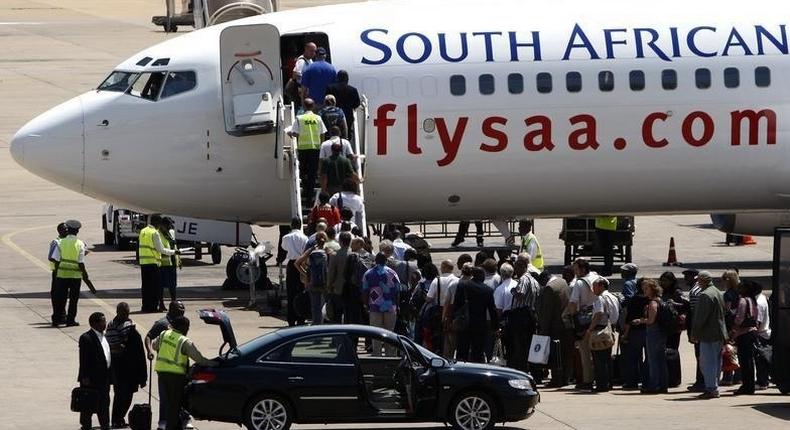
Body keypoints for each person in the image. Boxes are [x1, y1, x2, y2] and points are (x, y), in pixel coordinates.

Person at [152, 316, 217, 430]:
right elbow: (199, 359)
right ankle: (171, 427)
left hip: (161, 373)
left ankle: (173, 425)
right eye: (187, 327)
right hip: (176, 376)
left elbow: (154, 345)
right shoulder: (184, 341)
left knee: (167, 401)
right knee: (175, 404)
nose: (188, 329)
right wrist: (213, 364)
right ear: (184, 328)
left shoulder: (164, 334)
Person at [144, 300, 185, 430]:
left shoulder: (181, 322)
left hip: (179, 366)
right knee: (165, 396)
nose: (182, 311)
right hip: (165, 368)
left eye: (183, 310)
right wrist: (149, 351)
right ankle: (163, 420)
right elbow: (148, 337)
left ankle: (181, 418)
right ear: (171, 309)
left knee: (180, 395)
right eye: (180, 309)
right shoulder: (162, 323)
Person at [105, 302, 147, 428]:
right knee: (125, 395)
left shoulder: (110, 325)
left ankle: (117, 418)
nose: (126, 315)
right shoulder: (129, 328)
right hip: (126, 369)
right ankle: (118, 418)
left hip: (116, 367)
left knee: (119, 394)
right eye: (125, 312)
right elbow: (138, 353)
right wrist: (142, 376)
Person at [690, 271, 728, 399]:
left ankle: (711, 388)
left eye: (699, 280)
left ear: (703, 281)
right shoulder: (717, 292)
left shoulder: (705, 295)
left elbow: (701, 317)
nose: (697, 283)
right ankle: (714, 386)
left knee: (707, 362)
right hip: (719, 332)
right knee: (717, 361)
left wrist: (694, 333)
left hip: (708, 334)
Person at [503, 254, 540, 372]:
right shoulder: (533, 280)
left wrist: (513, 290)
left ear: (522, 267)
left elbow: (520, 294)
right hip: (530, 314)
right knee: (527, 344)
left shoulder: (524, 279)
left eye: (517, 268)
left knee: (520, 345)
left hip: (522, 315)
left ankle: (521, 369)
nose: (515, 271)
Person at [453, 266, 498, 363]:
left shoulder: (462, 286)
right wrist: (495, 326)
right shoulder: (488, 290)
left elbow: (456, 304)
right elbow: (492, 310)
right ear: (482, 276)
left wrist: (454, 318)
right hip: (479, 325)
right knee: (477, 352)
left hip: (464, 323)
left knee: (461, 351)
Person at [52, 219, 91, 326]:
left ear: (68, 230)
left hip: (62, 275)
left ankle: (56, 320)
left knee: (60, 298)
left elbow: (55, 259)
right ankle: (70, 320)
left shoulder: (60, 242)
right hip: (75, 276)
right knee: (73, 300)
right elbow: (81, 262)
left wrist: (57, 273)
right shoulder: (80, 244)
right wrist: (85, 274)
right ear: (77, 231)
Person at [631, 279, 668, 394]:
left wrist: (640, 320)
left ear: (652, 289)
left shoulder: (653, 303)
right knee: (660, 359)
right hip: (660, 333)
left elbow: (651, 320)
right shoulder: (660, 300)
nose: (644, 290)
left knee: (653, 360)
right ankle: (662, 384)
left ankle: (654, 385)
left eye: (647, 288)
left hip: (654, 333)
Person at [566, 258, 598, 390]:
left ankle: (587, 380)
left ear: (583, 269)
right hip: (597, 316)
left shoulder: (579, 283)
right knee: (597, 351)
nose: (575, 272)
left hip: (584, 320)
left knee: (585, 352)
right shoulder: (596, 277)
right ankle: (598, 378)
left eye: (576, 269)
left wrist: (573, 318)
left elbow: (573, 303)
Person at [362, 252, 401, 355]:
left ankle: (377, 355)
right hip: (390, 307)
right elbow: (398, 291)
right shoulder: (393, 273)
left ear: (375, 260)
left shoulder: (369, 273)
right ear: (386, 261)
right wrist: (397, 305)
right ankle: (390, 356)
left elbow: (365, 291)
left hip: (374, 307)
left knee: (376, 334)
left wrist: (366, 305)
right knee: (390, 333)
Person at [288, 98, 327, 201]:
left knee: (303, 171)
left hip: (303, 148)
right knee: (312, 173)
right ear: (313, 106)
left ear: (304, 106)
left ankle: (305, 190)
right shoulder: (318, 118)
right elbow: (323, 132)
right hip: (315, 148)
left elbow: (296, 133)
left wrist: (290, 133)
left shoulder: (299, 118)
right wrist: (321, 145)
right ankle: (310, 195)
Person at [538, 275, 573, 387]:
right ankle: (565, 378)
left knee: (556, 355)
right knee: (565, 354)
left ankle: (557, 380)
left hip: (556, 327)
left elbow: (547, 313)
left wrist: (543, 331)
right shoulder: (562, 281)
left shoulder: (549, 288)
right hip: (567, 323)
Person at [78, 312, 111, 430]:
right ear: (95, 323)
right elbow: (83, 359)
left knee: (104, 403)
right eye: (103, 321)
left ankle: (105, 425)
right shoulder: (86, 338)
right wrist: (84, 377)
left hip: (104, 378)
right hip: (91, 379)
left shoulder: (104, 336)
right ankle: (86, 426)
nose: (105, 323)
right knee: (88, 404)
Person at [138, 214, 177, 313]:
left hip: (143, 263)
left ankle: (145, 306)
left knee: (146, 287)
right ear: (157, 223)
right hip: (153, 263)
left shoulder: (143, 231)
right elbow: (160, 249)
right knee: (155, 287)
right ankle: (153, 307)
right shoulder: (154, 233)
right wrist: (174, 252)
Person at [589, 277, 620, 392]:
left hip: (600, 331)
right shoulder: (613, 297)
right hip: (610, 329)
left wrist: (590, 329)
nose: (593, 289)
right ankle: (608, 382)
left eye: (595, 286)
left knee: (599, 359)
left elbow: (598, 314)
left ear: (602, 286)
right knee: (607, 358)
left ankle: (602, 384)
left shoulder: (600, 298)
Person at [730, 281, 760, 395]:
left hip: (743, 334)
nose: (739, 289)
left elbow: (739, 318)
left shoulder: (743, 300)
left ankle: (746, 386)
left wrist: (733, 330)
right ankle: (750, 385)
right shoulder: (753, 300)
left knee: (744, 361)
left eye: (741, 287)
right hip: (752, 332)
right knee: (750, 361)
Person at [620, 277, 650, 389]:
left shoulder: (634, 299)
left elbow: (629, 318)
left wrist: (625, 334)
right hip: (649, 331)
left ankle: (632, 382)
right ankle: (647, 381)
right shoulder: (651, 299)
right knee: (648, 358)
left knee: (633, 358)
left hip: (636, 332)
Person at [281, 217, 308, 326]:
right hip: (301, 263)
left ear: (291, 225)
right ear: (300, 225)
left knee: (291, 292)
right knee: (301, 291)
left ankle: (291, 318)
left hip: (292, 264)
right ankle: (301, 317)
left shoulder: (286, 237)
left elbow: (284, 248)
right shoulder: (304, 238)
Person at [297, 232, 329, 325]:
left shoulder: (311, 250)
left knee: (315, 307)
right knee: (325, 305)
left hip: (312, 282)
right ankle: (323, 324)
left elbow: (297, 263)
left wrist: (306, 274)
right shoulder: (327, 250)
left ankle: (316, 325)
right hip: (325, 283)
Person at [683, 268, 706, 392]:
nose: (686, 279)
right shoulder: (696, 290)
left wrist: (694, 330)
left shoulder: (695, 291)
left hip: (697, 328)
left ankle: (701, 381)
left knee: (700, 355)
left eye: (688, 276)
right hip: (698, 327)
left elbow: (695, 312)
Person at [326, 70, 361, 140]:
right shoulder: (353, 90)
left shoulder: (330, 88)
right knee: (346, 134)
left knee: (331, 134)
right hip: (348, 115)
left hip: (332, 115)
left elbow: (327, 101)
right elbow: (357, 104)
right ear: (347, 79)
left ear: (337, 78)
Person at [720, 269, 741, 386]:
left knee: (728, 350)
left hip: (729, 326)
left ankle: (728, 376)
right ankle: (738, 376)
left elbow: (727, 310)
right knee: (737, 351)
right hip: (738, 325)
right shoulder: (740, 292)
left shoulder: (728, 294)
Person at [327, 232, 353, 323]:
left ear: (340, 242)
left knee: (337, 314)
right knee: (349, 314)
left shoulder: (335, 255)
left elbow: (331, 273)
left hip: (338, 288)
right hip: (351, 289)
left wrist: (329, 286)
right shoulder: (354, 254)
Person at [751, 281, 771, 391]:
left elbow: (757, 322)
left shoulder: (758, 302)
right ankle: (763, 380)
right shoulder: (763, 297)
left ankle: (762, 382)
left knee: (760, 360)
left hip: (761, 335)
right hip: (765, 332)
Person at [48, 222, 68, 325]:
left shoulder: (68, 241)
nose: (66, 231)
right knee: (57, 295)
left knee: (63, 295)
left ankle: (63, 315)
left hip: (66, 272)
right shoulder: (56, 242)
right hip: (57, 272)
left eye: (67, 229)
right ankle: (57, 316)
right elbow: (51, 257)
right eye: (64, 229)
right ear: (59, 231)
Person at [158, 217, 180, 308]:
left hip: (172, 263)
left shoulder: (171, 233)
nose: (169, 227)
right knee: (162, 286)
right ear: (162, 225)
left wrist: (179, 259)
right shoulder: (158, 234)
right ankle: (161, 303)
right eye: (167, 225)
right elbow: (161, 249)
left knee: (173, 285)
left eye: (170, 225)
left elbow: (174, 246)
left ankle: (174, 303)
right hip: (163, 264)